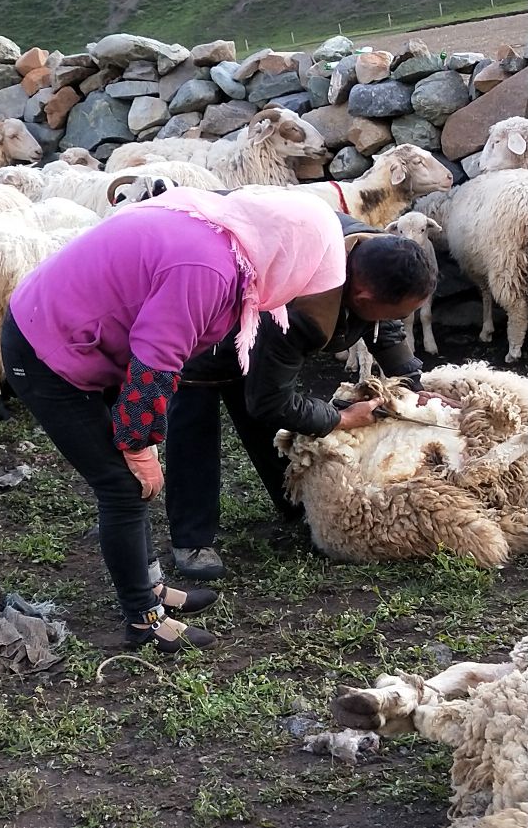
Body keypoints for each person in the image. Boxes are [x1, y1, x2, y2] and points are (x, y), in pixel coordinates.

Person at [1, 185, 348, 653]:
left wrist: (135, 436)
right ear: (289, 249)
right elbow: (156, 362)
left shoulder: (227, 250)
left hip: (77, 333)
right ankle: (143, 619)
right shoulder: (205, 267)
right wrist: (139, 446)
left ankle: (152, 589)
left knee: (129, 481)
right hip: (48, 349)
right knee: (123, 485)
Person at [165, 220, 439, 580]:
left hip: (259, 298)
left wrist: (413, 381)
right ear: (363, 298)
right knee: (197, 415)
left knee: (270, 418)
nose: (398, 319)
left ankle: (298, 503)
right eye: (397, 311)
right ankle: (192, 537)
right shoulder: (302, 310)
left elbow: (383, 323)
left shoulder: (377, 254)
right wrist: (340, 418)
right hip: (202, 308)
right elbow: (269, 400)